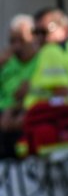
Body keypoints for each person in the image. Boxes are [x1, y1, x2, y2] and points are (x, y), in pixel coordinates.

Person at [24, 8, 68, 108]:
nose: (40, 37)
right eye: (36, 32)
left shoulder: (50, 51)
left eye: (44, 31)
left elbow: (61, 94)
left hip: (45, 116)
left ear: (65, 30)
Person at [0, 14, 39, 154]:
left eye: (21, 40)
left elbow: (29, 95)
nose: (16, 46)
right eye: (12, 41)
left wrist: (12, 111)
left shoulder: (40, 61)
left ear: (33, 39)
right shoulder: (6, 61)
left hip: (25, 115)